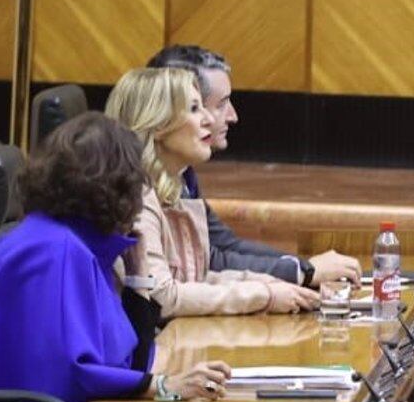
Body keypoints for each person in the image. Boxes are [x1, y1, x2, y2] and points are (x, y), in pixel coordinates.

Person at [0, 114, 230, 402]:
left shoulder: (69, 243)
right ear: (117, 188)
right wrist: (162, 385)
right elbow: (75, 370)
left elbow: (127, 360)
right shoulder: (54, 252)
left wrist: (139, 271)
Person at [105, 68, 319, 319]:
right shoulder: (135, 197)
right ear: (159, 124)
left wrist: (270, 285)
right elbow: (160, 296)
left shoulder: (174, 187)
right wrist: (261, 294)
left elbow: (194, 277)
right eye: (194, 109)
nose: (208, 119)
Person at [147, 44, 360, 290]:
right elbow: (209, 263)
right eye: (221, 104)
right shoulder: (142, 187)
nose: (233, 116)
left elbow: (225, 245)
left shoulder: (182, 173)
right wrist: (303, 271)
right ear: (172, 110)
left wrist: (304, 268)